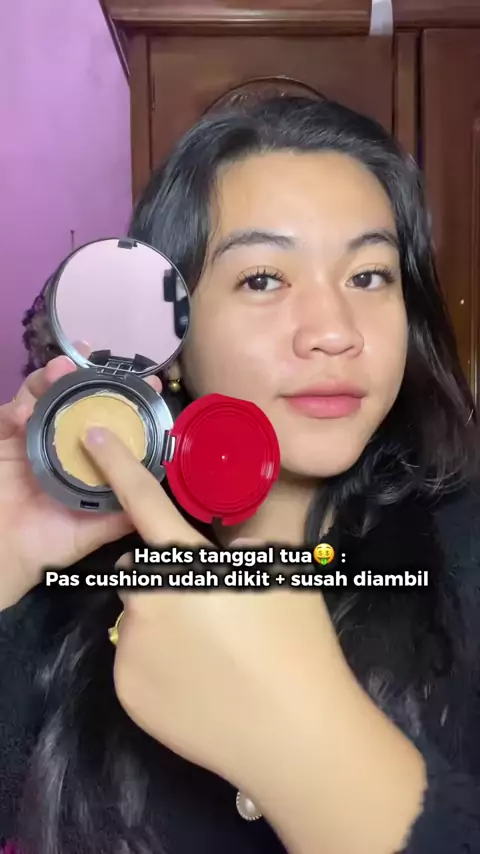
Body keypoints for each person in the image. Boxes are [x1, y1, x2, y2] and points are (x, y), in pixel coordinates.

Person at [1, 95, 480, 854]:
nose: (334, 332)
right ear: (170, 339)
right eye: (262, 279)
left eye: (369, 276)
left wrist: (308, 750)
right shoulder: (65, 585)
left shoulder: (463, 554)